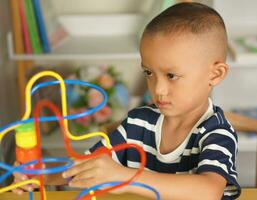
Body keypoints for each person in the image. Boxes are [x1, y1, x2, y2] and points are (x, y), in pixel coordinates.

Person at [13, 2, 240, 199]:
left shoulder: (217, 131)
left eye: (172, 76)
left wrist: (126, 177)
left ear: (216, 74)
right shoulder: (137, 122)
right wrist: (37, 174)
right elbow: (88, 167)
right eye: (149, 73)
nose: (158, 89)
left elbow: (208, 191)